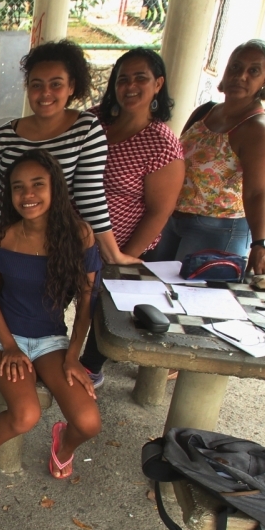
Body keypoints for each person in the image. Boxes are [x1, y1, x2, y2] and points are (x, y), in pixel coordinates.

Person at [0, 39, 135, 429]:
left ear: (73, 88)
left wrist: (111, 253)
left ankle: (35, 363)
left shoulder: (87, 129)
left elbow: (89, 196)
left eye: (55, 84)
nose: (45, 93)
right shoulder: (6, 134)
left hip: (53, 239)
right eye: (36, 84)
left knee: (41, 308)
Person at [0, 150, 102, 499]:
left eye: (37, 185)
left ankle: (63, 444)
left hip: (51, 342)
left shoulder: (80, 235)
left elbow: (87, 299)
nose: (27, 195)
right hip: (3, 339)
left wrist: (74, 355)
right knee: (25, 414)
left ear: (55, 188)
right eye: (18, 187)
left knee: (88, 422)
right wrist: (9, 345)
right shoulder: (1, 236)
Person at [78, 49, 184, 387]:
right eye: (123, 79)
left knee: (105, 313)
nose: (130, 86)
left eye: (141, 78)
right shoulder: (94, 120)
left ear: (158, 85)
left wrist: (126, 259)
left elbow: (159, 211)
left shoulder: (161, 143)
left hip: (122, 245)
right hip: (73, 238)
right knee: (58, 299)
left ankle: (90, 369)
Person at [152, 39, 265, 277]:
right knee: (154, 294)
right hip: (174, 221)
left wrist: (261, 244)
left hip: (218, 228)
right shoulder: (206, 111)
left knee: (192, 303)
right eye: (235, 67)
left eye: (253, 71)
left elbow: (257, 193)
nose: (240, 76)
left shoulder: (256, 128)